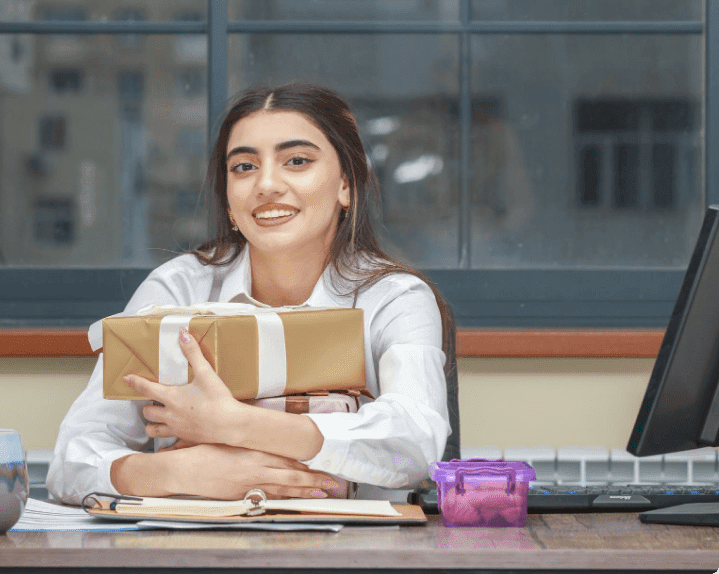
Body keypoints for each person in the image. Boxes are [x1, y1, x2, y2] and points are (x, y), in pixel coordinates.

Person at [46, 83, 455, 504]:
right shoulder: (179, 288)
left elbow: (415, 441)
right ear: (228, 201)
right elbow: (71, 461)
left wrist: (233, 425)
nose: (267, 184)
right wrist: (176, 472)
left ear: (346, 185)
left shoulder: (394, 296)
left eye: (297, 161)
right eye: (243, 167)